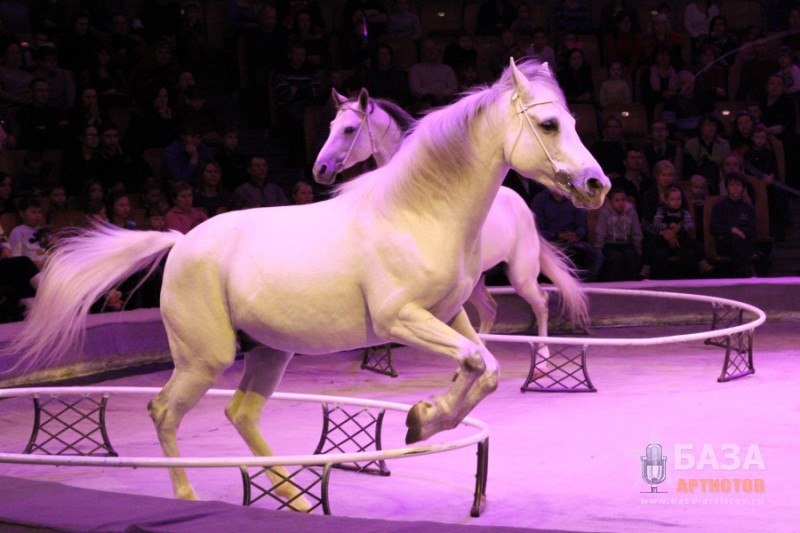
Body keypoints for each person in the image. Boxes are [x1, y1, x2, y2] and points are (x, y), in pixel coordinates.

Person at [531, 188, 603, 282]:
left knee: (596, 255)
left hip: (572, 241)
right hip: (550, 242)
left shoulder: (575, 198)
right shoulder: (540, 200)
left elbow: (581, 226)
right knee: (559, 256)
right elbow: (538, 230)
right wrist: (558, 235)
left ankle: (585, 285)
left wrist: (577, 235)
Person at [651, 185, 711, 278]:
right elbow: (656, 224)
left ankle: (702, 262)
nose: (676, 202)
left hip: (681, 239)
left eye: (679, 199)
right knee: (653, 245)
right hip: (665, 239)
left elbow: (690, 224)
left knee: (694, 245)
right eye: (673, 199)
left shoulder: (684, 212)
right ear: (666, 201)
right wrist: (668, 226)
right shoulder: (661, 212)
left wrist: (681, 227)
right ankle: (646, 266)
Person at [710, 172, 757, 276]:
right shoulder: (719, 206)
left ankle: (742, 273)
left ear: (743, 188)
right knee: (736, 240)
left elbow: (753, 230)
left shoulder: (748, 207)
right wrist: (731, 230)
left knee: (739, 241)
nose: (735, 188)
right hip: (724, 243)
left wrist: (738, 232)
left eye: (738, 185)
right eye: (731, 185)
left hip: (744, 241)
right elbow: (713, 228)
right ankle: (747, 271)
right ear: (727, 188)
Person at [594, 187, 642, 281]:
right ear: (611, 202)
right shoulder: (605, 212)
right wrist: (598, 248)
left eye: (623, 200)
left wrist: (638, 249)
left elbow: (636, 232)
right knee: (615, 258)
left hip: (626, 243)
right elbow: (601, 232)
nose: (621, 203)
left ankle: (631, 284)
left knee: (631, 257)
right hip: (610, 244)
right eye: (617, 200)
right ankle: (616, 284)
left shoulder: (631, 212)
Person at [408, 38, 458, 111]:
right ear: (423, 51)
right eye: (428, 49)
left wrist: (442, 94)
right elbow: (415, 89)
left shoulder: (448, 69)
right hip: (424, 103)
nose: (431, 51)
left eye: (433, 48)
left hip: (445, 103)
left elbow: (453, 88)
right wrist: (432, 95)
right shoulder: (416, 69)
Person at [8, 197, 49, 269]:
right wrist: (33, 264)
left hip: (48, 265)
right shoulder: (18, 231)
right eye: (33, 212)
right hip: (32, 269)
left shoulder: (42, 230)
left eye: (39, 212)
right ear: (22, 214)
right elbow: (16, 259)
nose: (37, 215)